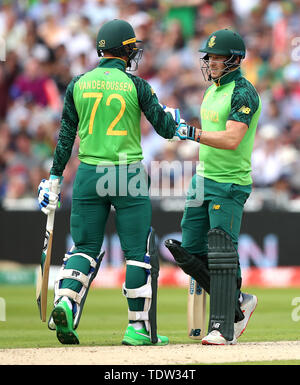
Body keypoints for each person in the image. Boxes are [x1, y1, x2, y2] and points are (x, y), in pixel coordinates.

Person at [37, 19, 180, 346]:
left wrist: (55, 179)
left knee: (84, 247)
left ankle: (66, 304)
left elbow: (65, 139)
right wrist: (175, 120)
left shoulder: (78, 83)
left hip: (88, 174)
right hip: (126, 174)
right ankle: (137, 329)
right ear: (125, 50)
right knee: (136, 251)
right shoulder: (137, 85)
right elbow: (164, 129)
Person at [165, 29, 261, 345]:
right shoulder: (212, 91)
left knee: (221, 251)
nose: (211, 62)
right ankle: (238, 302)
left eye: (217, 57)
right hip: (202, 180)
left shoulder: (243, 92)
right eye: (209, 56)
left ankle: (222, 328)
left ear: (234, 59)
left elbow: (232, 139)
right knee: (189, 251)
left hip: (230, 184)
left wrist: (191, 133)